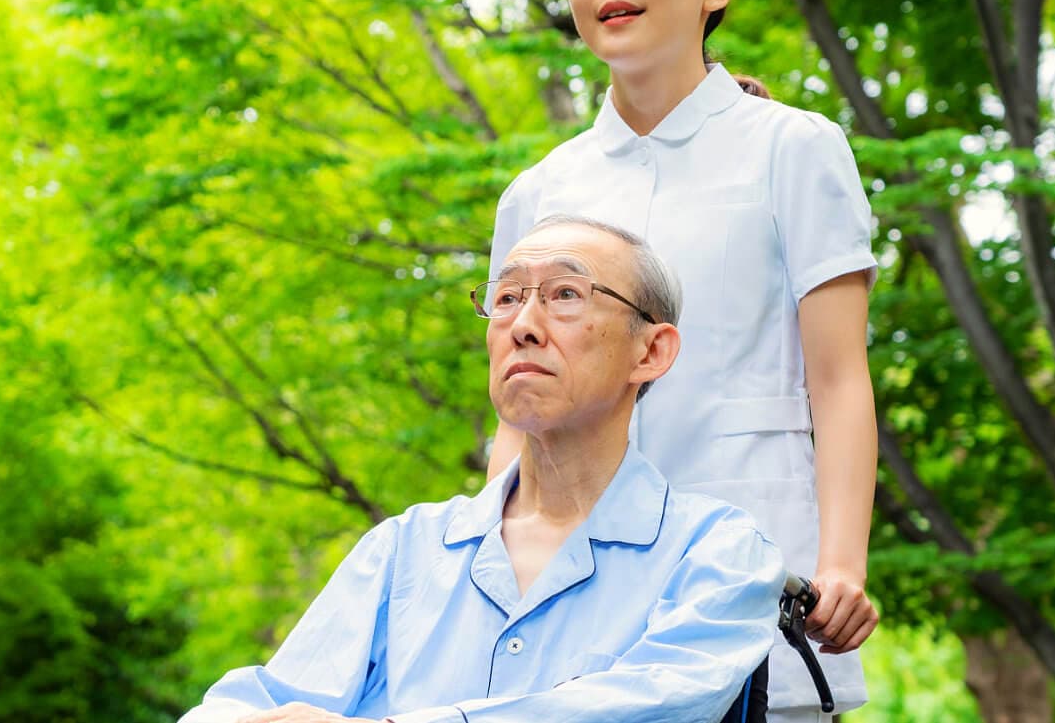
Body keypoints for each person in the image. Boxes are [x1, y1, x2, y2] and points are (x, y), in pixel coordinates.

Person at [486, 0, 880, 719]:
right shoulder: (537, 193)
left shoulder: (794, 149)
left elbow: (840, 378)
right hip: (565, 625)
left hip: (755, 598)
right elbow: (516, 424)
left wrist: (841, 566)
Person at [180, 217, 782, 723]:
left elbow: (655, 704)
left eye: (566, 294)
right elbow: (264, 701)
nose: (522, 325)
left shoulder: (719, 553)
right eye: (508, 298)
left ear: (650, 351)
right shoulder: (403, 550)